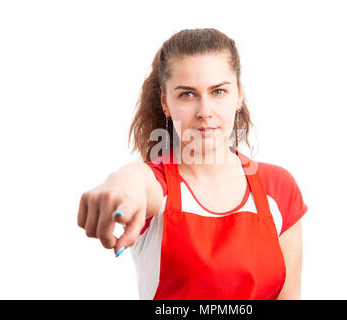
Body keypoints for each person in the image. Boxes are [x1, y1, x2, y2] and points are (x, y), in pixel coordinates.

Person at [77, 28, 308, 300]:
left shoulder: (278, 187)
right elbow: (137, 179)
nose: (205, 112)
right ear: (166, 102)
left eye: (219, 91)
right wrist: (121, 180)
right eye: (187, 94)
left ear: (239, 96)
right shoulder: (158, 186)